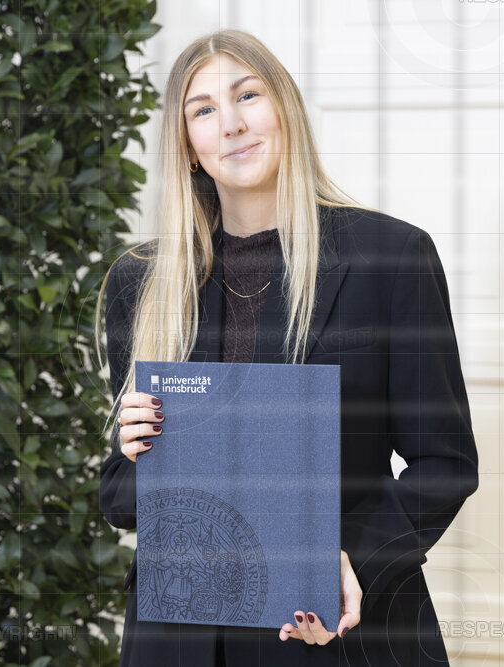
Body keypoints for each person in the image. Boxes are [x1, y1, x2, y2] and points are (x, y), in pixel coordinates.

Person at [94, 29, 479, 666]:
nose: (232, 124)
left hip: (333, 628)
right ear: (188, 146)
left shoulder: (391, 258)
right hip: (180, 638)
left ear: (285, 109)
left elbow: (446, 463)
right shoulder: (141, 282)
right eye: (204, 110)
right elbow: (119, 499)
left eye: (248, 95)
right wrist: (135, 452)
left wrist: (354, 562)